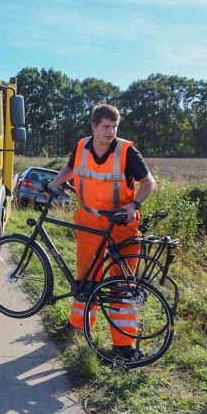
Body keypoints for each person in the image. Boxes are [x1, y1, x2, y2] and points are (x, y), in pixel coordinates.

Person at [48, 104, 156, 360]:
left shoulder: (127, 151)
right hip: (89, 221)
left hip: (122, 224)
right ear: (94, 126)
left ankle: (124, 343)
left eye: (114, 127)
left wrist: (133, 205)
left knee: (122, 284)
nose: (111, 132)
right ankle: (77, 327)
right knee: (86, 278)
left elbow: (149, 182)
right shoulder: (81, 147)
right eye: (106, 127)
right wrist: (55, 182)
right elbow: (71, 168)